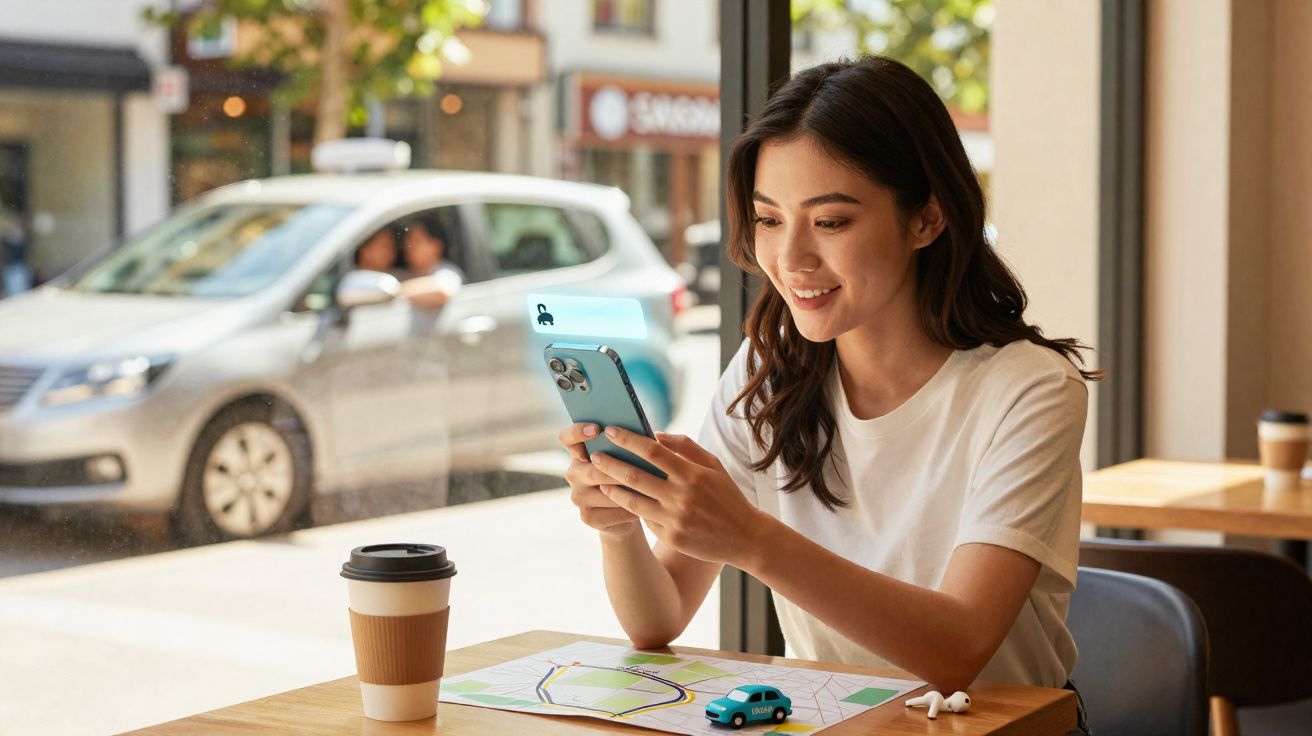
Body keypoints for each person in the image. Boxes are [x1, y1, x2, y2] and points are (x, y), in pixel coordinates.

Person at [557, 56, 1098, 735]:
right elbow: (659, 617)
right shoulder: (770, 369)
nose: (790, 259)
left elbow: (959, 651)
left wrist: (752, 539)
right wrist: (619, 523)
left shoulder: (1028, 390)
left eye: (832, 221)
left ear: (926, 219)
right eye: (769, 220)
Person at [399, 218, 464, 309]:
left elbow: (442, 290)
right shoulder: (406, 273)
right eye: (408, 240)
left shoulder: (446, 270)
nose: (408, 245)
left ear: (435, 246)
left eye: (416, 240)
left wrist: (394, 291)